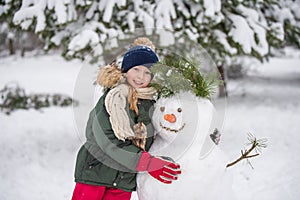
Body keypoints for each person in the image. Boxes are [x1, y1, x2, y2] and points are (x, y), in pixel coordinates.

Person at [71, 40, 181, 200]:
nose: (140, 76)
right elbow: (107, 141)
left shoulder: (151, 105)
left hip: (124, 181)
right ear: (126, 70)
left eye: (147, 72)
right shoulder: (113, 98)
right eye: (136, 69)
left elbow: (165, 131)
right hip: (95, 173)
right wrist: (147, 163)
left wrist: (206, 136)